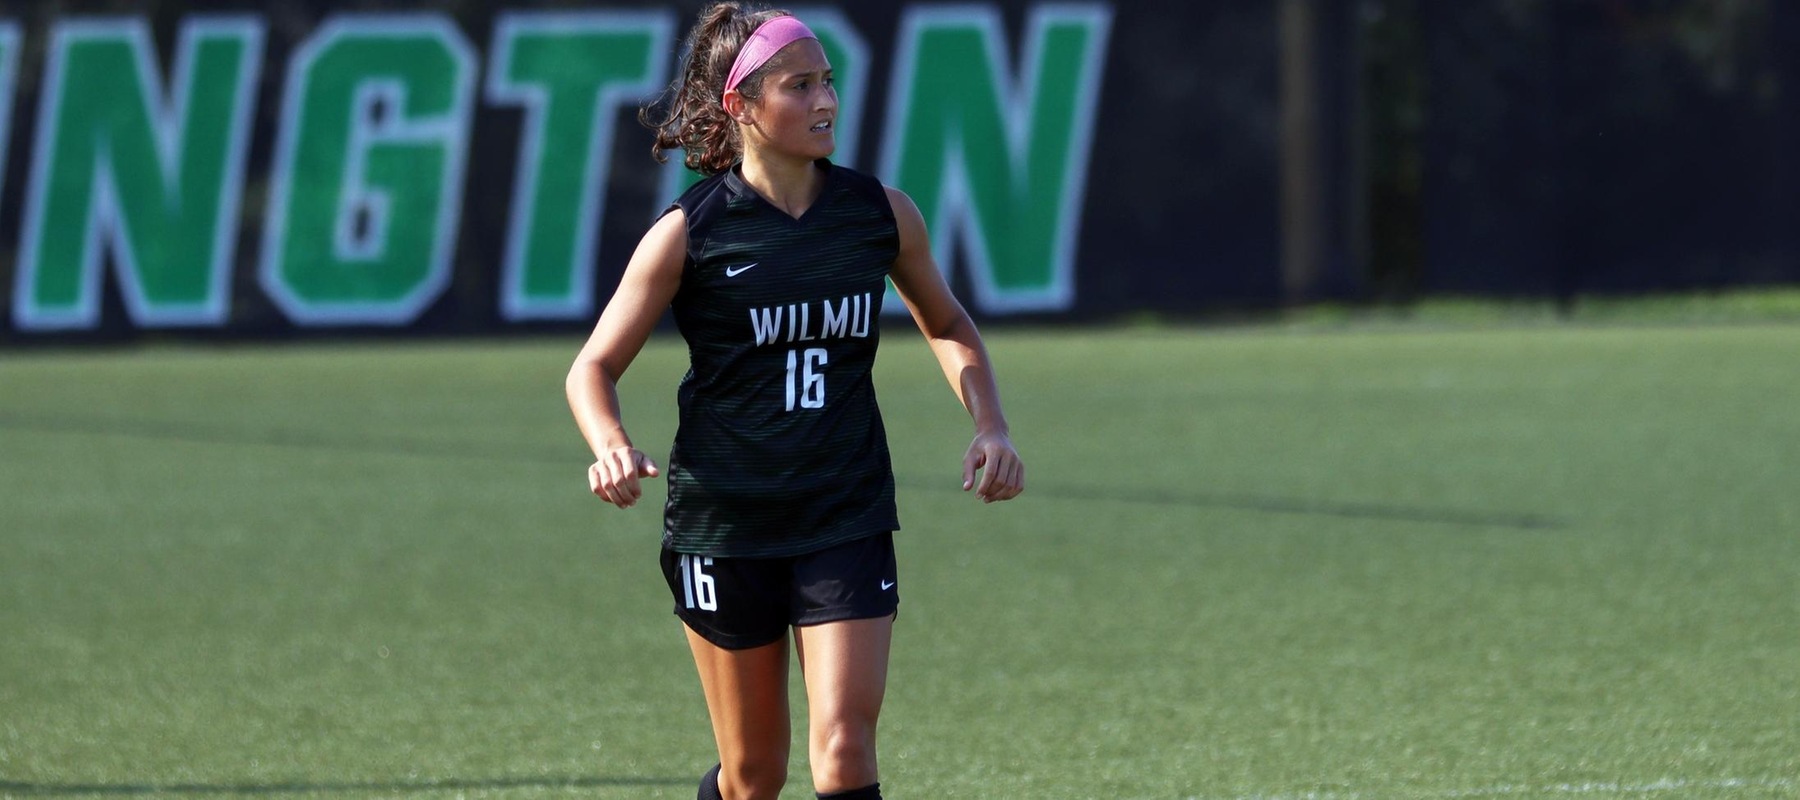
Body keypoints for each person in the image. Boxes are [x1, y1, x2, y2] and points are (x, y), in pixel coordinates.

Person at [565, 3, 1024, 798]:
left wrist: (990, 423)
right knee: (754, 778)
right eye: (800, 85)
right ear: (741, 104)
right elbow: (593, 366)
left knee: (844, 752)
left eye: (829, 82)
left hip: (842, 511)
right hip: (725, 522)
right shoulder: (690, 233)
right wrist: (609, 441)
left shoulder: (878, 214)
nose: (826, 102)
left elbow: (947, 322)